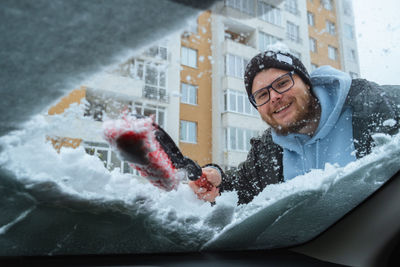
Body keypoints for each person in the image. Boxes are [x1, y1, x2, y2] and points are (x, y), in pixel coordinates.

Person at [189, 49, 400, 205]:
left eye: (282, 83)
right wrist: (217, 179)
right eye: (262, 95)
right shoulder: (267, 151)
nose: (274, 97)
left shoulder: (379, 105)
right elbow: (240, 187)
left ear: (306, 82)